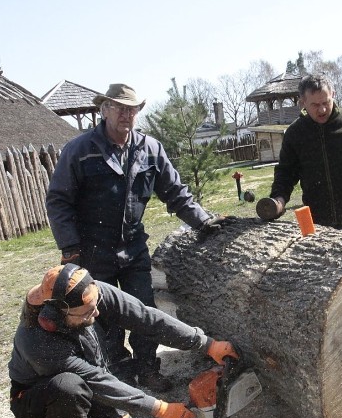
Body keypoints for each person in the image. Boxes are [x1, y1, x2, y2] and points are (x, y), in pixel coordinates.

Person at [8, 264, 238, 418]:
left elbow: (145, 317)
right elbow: (96, 380)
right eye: (85, 313)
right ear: (57, 316)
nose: (95, 313)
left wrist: (205, 343)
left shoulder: (87, 293)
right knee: (68, 387)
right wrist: (159, 408)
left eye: (95, 305)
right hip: (39, 399)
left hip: (88, 386)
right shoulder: (37, 340)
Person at [46, 83, 228, 391]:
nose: (126, 115)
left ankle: (147, 369)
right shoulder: (80, 150)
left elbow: (175, 193)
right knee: (102, 317)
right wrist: (70, 247)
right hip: (91, 251)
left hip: (132, 248)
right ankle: (119, 371)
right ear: (104, 110)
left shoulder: (150, 149)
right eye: (119, 108)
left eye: (131, 109)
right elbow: (58, 200)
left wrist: (202, 221)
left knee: (144, 311)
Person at [264, 73, 342, 230]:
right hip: (315, 221)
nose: (322, 109)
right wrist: (278, 200)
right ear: (302, 102)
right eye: (315, 105)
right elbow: (285, 173)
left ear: (333, 95)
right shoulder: (295, 133)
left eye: (326, 102)